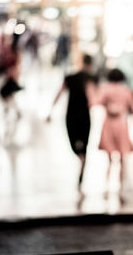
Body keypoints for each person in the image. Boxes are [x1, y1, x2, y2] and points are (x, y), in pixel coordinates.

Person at [47, 54, 96, 194]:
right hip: (84, 117)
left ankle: (80, 159)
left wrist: (50, 110)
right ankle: (82, 163)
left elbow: (59, 93)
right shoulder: (90, 79)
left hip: (71, 116)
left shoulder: (70, 77)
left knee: (75, 146)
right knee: (84, 148)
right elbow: (93, 97)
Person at [97, 69, 133, 201]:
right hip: (122, 125)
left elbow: (96, 102)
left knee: (109, 159)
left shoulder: (105, 89)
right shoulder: (126, 91)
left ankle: (107, 187)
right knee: (123, 158)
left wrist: (109, 105)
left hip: (108, 126)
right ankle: (121, 187)